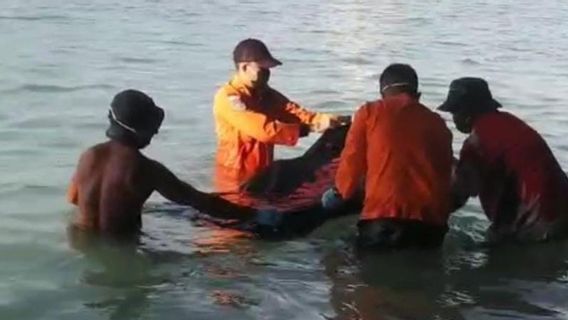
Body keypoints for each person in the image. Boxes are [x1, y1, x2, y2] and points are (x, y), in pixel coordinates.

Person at [67, 89, 251, 235]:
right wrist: (254, 214)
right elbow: (200, 202)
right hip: (124, 248)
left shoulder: (88, 155)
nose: (155, 133)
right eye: (152, 127)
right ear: (139, 129)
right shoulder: (147, 169)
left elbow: (73, 198)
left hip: (81, 241)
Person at [321, 64, 454, 249]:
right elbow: (446, 175)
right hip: (430, 225)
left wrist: (339, 194)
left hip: (383, 218)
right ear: (418, 95)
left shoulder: (369, 112)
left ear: (382, 93)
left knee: (338, 259)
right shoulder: (438, 123)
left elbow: (351, 164)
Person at [438, 77, 568, 243]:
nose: (453, 119)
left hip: (539, 223)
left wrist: (429, 214)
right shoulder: (510, 123)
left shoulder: (478, 141)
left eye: (454, 112)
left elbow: (462, 191)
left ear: (467, 114)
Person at [213, 38, 348, 191]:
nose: (267, 73)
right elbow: (264, 130)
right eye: (262, 68)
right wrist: (309, 128)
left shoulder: (265, 94)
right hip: (236, 176)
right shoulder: (228, 98)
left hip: (262, 173)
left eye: (268, 68)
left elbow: (292, 111)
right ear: (244, 67)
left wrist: (324, 119)